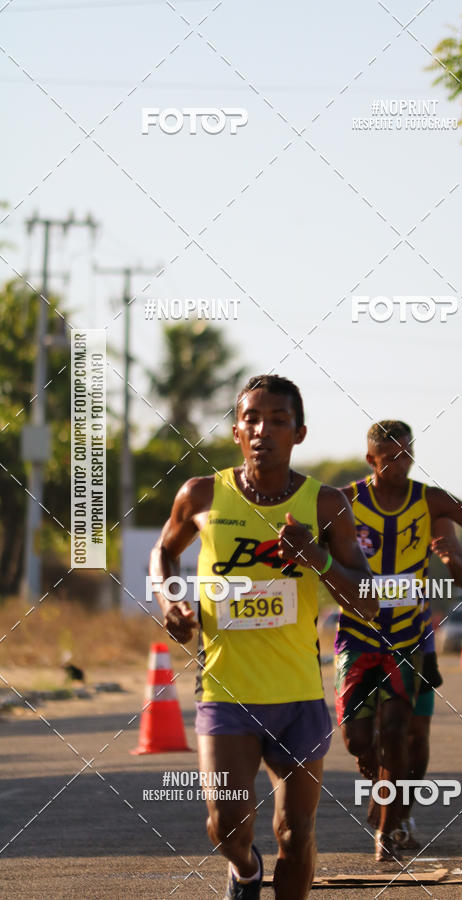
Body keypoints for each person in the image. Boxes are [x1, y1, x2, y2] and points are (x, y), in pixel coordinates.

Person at [150, 374, 377, 900]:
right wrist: (171, 600)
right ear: (235, 432)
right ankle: (246, 872)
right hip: (226, 694)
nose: (262, 431)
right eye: (251, 419)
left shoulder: (327, 506)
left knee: (295, 836)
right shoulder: (202, 495)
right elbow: (163, 552)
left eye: (277, 421)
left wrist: (315, 557)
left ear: (299, 433)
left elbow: (366, 600)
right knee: (227, 827)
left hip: (298, 696)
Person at [335, 419, 462, 861]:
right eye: (390, 459)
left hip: (409, 637)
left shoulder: (430, 500)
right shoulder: (343, 502)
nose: (400, 466)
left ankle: (391, 826)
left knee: (402, 731)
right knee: (358, 741)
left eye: (407, 455)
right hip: (358, 636)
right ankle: (382, 789)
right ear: (371, 459)